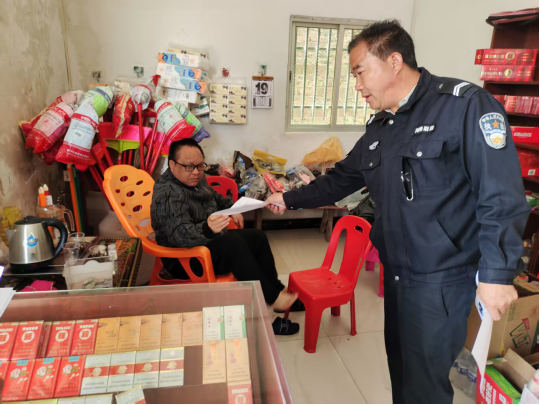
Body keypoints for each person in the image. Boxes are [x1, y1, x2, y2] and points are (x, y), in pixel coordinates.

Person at [266, 19, 530, 404]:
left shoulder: (464, 106)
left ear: (393, 62)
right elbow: (342, 178)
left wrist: (496, 273)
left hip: (440, 278)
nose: (357, 85)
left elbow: (500, 193)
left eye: (360, 72)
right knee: (402, 371)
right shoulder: (382, 126)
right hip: (398, 274)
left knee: (425, 386)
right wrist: (287, 199)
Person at [150, 138, 300, 316]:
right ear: (172, 165)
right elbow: (177, 235)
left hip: (205, 241)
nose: (196, 172)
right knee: (233, 244)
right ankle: (272, 297)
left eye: (200, 166)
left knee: (257, 237)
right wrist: (207, 229)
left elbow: (215, 197)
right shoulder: (167, 193)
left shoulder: (195, 178)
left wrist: (233, 208)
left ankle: (275, 288)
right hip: (184, 258)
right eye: (189, 166)